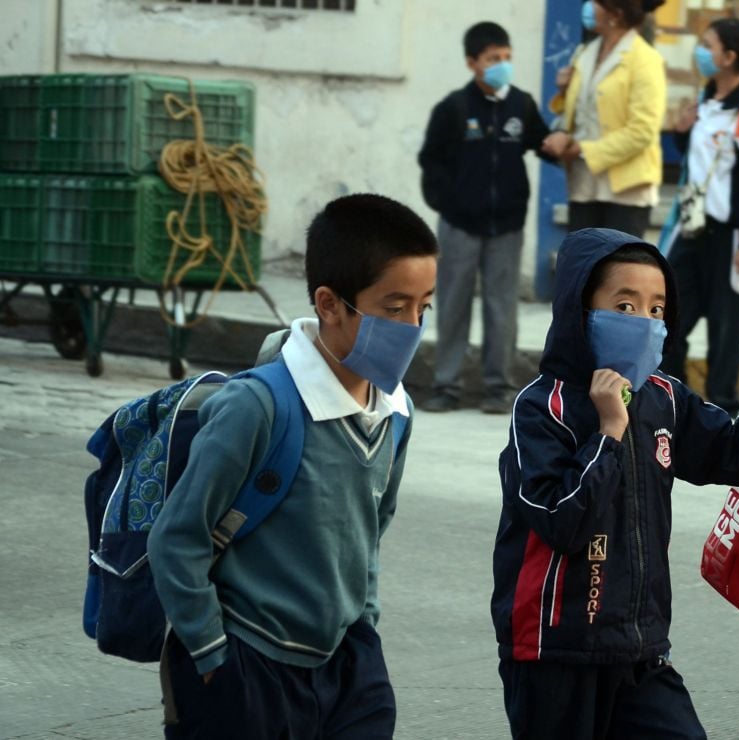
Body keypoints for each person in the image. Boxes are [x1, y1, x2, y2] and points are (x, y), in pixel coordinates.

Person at [489, 228, 739, 739]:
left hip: (640, 650)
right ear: (579, 309)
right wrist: (608, 431)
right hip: (555, 652)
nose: (645, 322)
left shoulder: (664, 397)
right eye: (625, 305)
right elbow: (560, 520)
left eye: (658, 309)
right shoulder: (541, 407)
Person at [147, 194, 438, 739]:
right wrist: (212, 655)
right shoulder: (257, 406)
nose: (414, 326)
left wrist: (364, 626)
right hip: (250, 659)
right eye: (394, 309)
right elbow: (177, 538)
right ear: (329, 304)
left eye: (425, 306)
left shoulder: (397, 411)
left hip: (349, 667)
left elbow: (372, 530)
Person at [418, 21, 551, 414]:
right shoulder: (454, 108)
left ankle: (499, 387)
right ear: (472, 62)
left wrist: (560, 143)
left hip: (506, 227)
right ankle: (447, 385)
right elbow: (431, 159)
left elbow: (541, 143)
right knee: (453, 305)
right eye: (494, 59)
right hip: (460, 226)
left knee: (501, 308)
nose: (502, 65)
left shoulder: (522, 105)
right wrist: (448, 203)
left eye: (507, 58)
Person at [660, 17, 739, 416]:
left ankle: (720, 412)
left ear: (729, 57)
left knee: (726, 332)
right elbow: (699, 163)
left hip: (730, 236)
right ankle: (673, 400)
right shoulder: (704, 99)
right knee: (667, 320)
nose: (699, 50)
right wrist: (681, 132)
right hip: (691, 230)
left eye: (707, 45)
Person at [542, 0, 667, 238]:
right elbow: (580, 112)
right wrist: (563, 94)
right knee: (583, 268)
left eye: (596, 3)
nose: (589, 8)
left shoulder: (645, 59)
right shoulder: (585, 52)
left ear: (615, 14)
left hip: (626, 189)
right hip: (584, 184)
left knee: (616, 269)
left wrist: (583, 150)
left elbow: (642, 131)